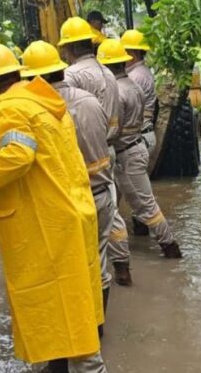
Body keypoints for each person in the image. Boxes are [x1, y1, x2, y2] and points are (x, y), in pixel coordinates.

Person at [0, 42, 107, 373]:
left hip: (49, 229)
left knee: (73, 333)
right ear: (17, 75)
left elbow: (17, 155)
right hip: (69, 215)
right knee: (73, 317)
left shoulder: (9, 110)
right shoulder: (42, 103)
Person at [22, 40, 132, 295]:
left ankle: (87, 319)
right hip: (102, 191)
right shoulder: (90, 100)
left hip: (69, 200)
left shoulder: (36, 109)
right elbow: (108, 132)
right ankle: (116, 283)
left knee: (70, 270)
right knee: (98, 263)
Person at [58, 17, 133, 282]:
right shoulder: (108, 72)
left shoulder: (72, 76)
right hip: (107, 149)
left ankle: (91, 279)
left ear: (67, 48)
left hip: (86, 153)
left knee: (87, 215)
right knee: (109, 209)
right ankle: (122, 266)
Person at [97, 39, 183, 259]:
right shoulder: (132, 85)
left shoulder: (117, 91)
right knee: (116, 205)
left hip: (127, 154)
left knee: (146, 206)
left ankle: (170, 247)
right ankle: (124, 244)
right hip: (135, 146)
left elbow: (113, 130)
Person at [121, 29, 157, 156]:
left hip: (140, 137)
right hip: (142, 135)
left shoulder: (136, 76)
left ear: (132, 54)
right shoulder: (140, 72)